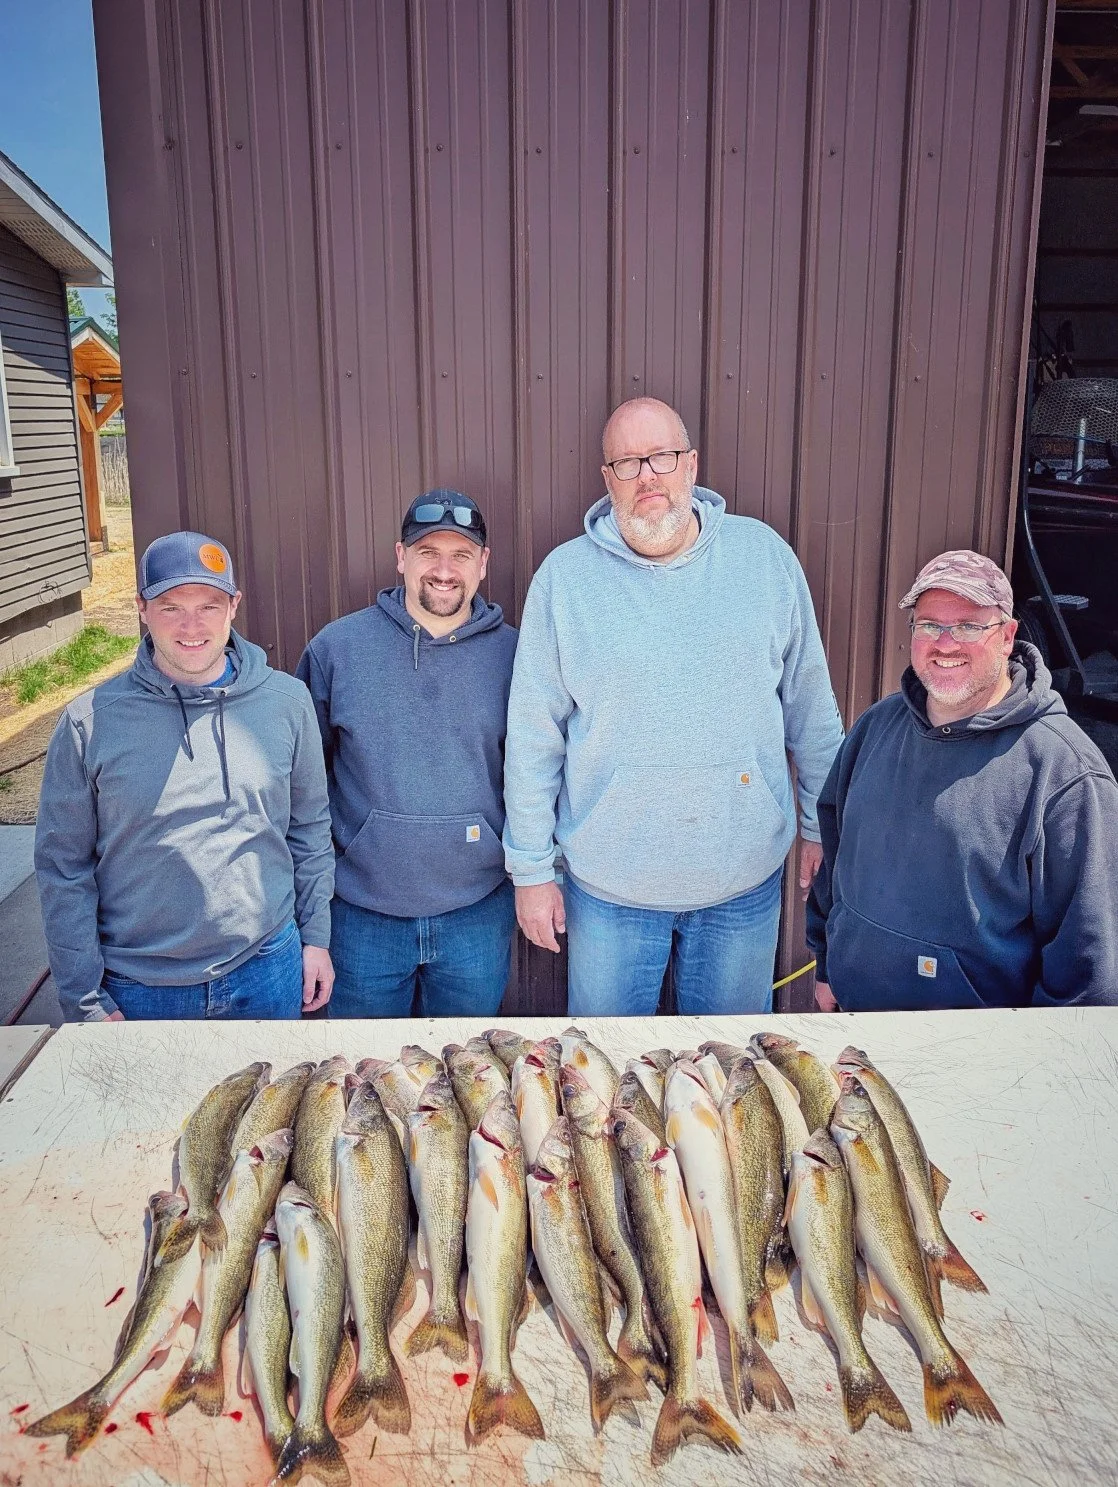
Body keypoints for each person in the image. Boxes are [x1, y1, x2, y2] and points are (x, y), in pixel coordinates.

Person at [503, 397, 844, 1017]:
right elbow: (533, 737)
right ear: (607, 480)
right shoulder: (565, 580)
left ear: (691, 465)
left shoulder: (762, 560)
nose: (648, 477)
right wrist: (530, 869)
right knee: (604, 1088)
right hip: (609, 890)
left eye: (661, 457)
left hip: (742, 885)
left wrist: (824, 824)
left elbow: (811, 709)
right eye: (628, 463)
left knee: (730, 1085)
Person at [35, 531, 335, 1021]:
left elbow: (308, 828)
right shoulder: (89, 724)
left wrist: (316, 938)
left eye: (210, 605)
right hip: (141, 988)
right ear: (141, 608)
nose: (192, 625)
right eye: (172, 606)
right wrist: (84, 998)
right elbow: (64, 871)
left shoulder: (286, 702)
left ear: (234, 606)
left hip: (267, 968)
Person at [807, 549, 1118, 1009]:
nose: (945, 643)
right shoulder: (877, 726)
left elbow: (1088, 964)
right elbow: (835, 857)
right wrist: (827, 964)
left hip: (977, 1048)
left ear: (1008, 636)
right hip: (857, 1024)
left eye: (970, 626)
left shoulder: (1064, 771)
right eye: (929, 624)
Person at [296, 491, 519, 1017]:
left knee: (465, 1080)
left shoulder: (517, 656)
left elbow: (540, 773)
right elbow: (301, 783)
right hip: (360, 914)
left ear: (483, 564)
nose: (444, 570)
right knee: (363, 1078)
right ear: (401, 557)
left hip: (477, 911)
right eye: (427, 553)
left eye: (461, 554)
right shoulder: (338, 649)